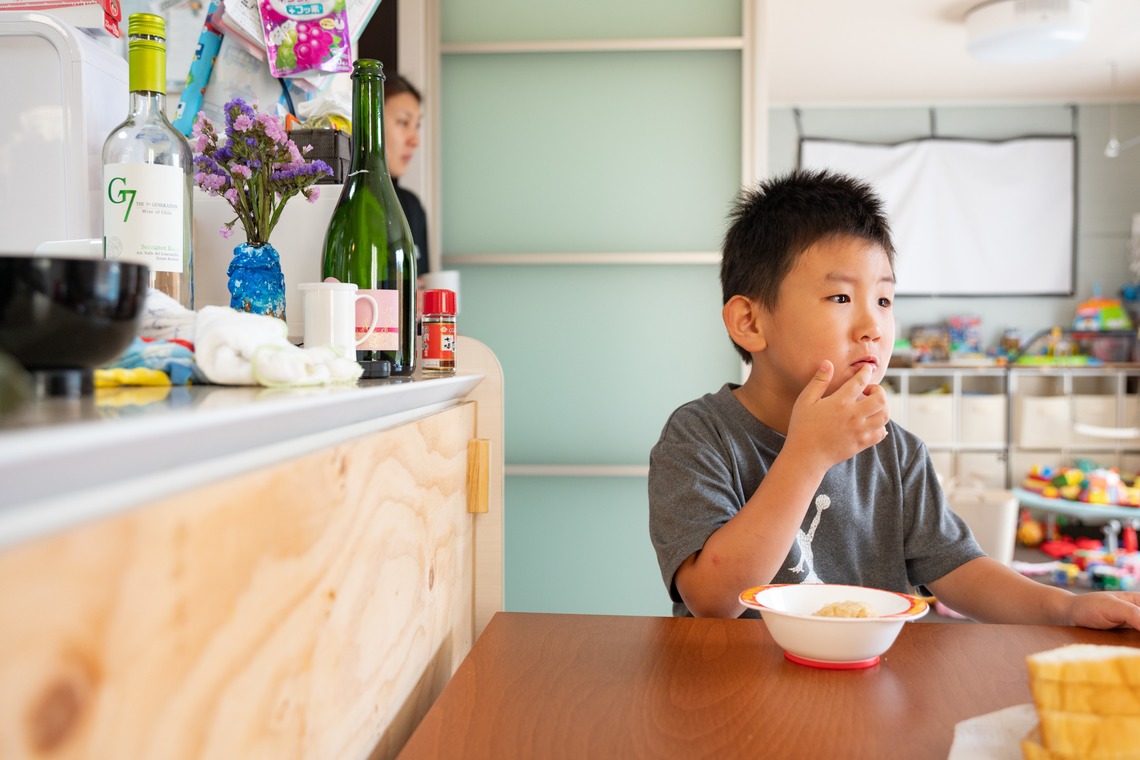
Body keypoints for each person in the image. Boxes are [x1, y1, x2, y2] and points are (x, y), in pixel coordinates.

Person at [647, 168, 1140, 629]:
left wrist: (1068, 607)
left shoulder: (896, 452)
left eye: (884, 300)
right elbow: (712, 599)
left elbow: (960, 569)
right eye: (841, 298)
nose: (873, 328)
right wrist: (809, 453)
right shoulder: (700, 435)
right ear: (751, 322)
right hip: (733, 696)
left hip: (866, 690)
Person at [384, 72, 429, 275]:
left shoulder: (411, 206)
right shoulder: (348, 200)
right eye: (403, 122)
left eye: (416, 125)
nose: (415, 140)